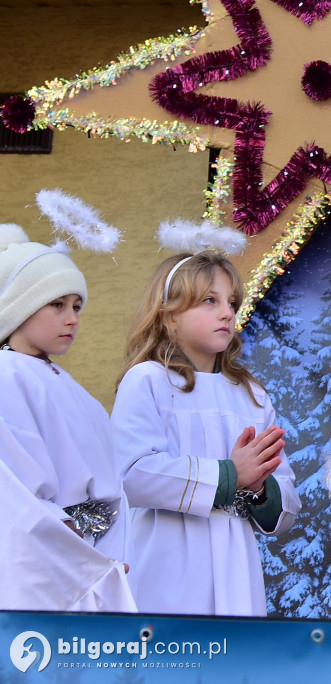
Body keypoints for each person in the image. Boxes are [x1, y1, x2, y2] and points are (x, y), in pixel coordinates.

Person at [111, 250, 301, 616]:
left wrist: (261, 488)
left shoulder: (252, 395)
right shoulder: (147, 381)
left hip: (237, 566)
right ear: (169, 317)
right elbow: (131, 474)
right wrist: (230, 475)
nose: (227, 313)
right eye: (209, 301)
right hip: (168, 562)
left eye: (232, 302)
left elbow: (286, 503)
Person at [0, 224, 136, 612]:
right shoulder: (6, 374)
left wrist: (109, 558)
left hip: (96, 558)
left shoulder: (75, 391)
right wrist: (78, 555)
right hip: (53, 564)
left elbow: (113, 490)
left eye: (76, 306)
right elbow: (15, 490)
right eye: (56, 304)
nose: (72, 318)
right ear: (19, 304)